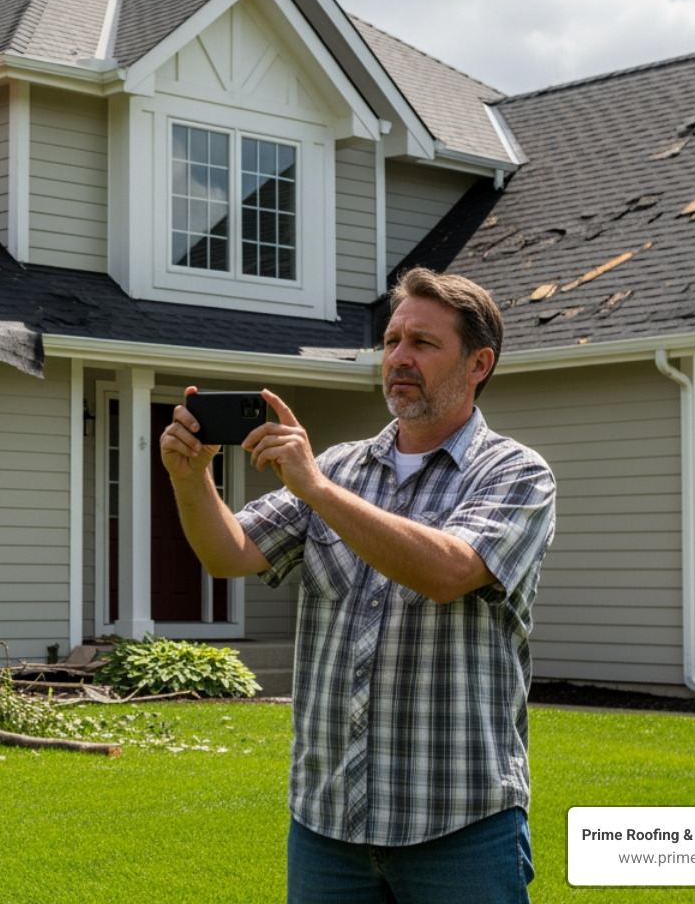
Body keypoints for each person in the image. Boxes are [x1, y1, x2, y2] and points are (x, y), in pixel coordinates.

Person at [160, 267, 556, 904]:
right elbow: (228, 552)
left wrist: (315, 489)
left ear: (478, 363)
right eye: (393, 340)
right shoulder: (339, 467)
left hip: (459, 823)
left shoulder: (514, 473)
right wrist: (188, 477)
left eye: (423, 344)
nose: (399, 357)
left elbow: (449, 571)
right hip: (328, 823)